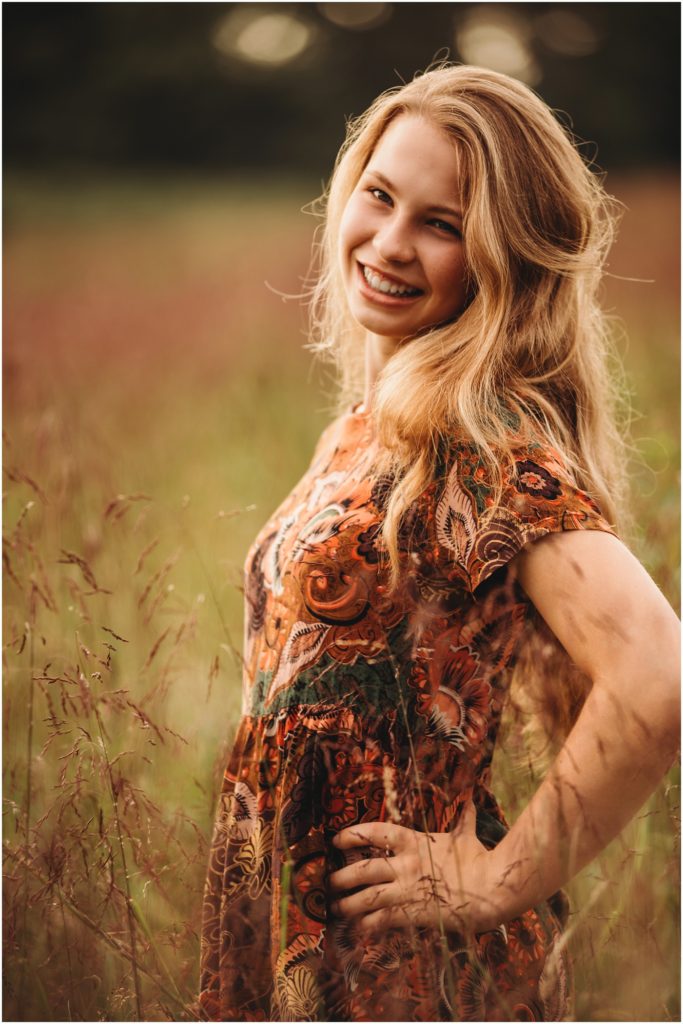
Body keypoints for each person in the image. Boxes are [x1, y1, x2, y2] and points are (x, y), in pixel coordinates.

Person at [198, 64, 679, 1022]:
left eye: (443, 223)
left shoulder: (481, 442)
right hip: (304, 928)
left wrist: (497, 882)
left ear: (503, 258)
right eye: (379, 196)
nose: (389, 242)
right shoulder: (371, 426)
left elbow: (658, 675)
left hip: (401, 961)